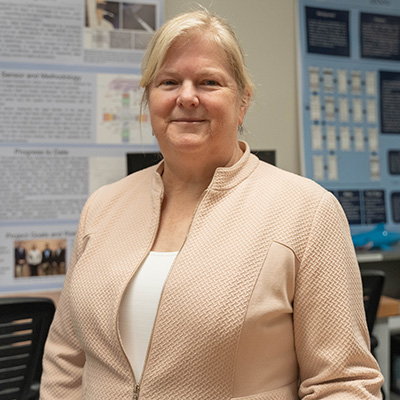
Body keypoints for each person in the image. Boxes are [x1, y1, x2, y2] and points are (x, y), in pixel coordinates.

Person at [40, 9, 383, 399]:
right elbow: (66, 359)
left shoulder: (306, 211)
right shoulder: (102, 208)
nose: (186, 96)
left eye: (208, 82)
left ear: (242, 102)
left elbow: (343, 384)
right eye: (168, 81)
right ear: (148, 99)